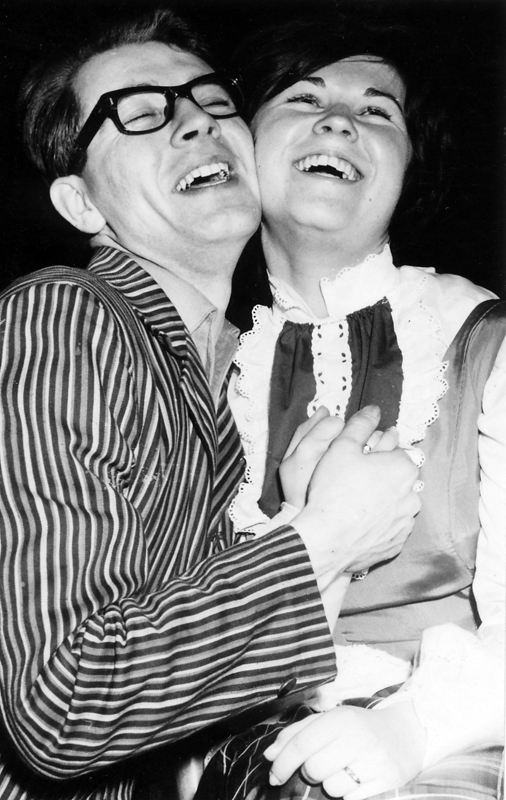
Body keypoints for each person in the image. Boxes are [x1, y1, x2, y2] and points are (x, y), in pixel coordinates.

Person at [0, 8, 422, 800]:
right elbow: (63, 703)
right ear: (82, 205)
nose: (195, 120)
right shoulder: (65, 315)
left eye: (212, 99)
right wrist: (326, 537)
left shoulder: (240, 371)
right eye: (137, 112)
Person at [197, 13, 505, 800]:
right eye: (303, 98)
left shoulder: (482, 339)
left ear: (408, 169)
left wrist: (410, 729)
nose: (339, 120)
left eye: (378, 112)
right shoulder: (199, 370)